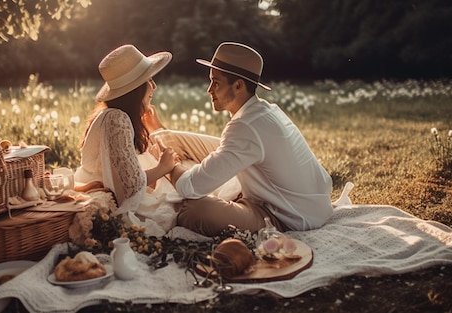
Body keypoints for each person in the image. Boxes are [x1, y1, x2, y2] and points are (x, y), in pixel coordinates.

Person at [150, 42, 334, 236]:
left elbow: (190, 188)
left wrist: (170, 166)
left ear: (238, 85)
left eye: (216, 82)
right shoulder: (262, 110)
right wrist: (162, 133)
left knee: (194, 211)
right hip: (312, 203)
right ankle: (168, 144)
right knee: (168, 138)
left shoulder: (246, 127)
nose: (209, 90)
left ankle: (177, 164)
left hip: (288, 216)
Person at [74, 44, 180, 235]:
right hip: (118, 200)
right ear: (136, 89)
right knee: (181, 202)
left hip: (113, 189)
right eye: (149, 80)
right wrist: (163, 167)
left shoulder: (112, 115)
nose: (154, 87)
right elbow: (129, 187)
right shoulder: (117, 120)